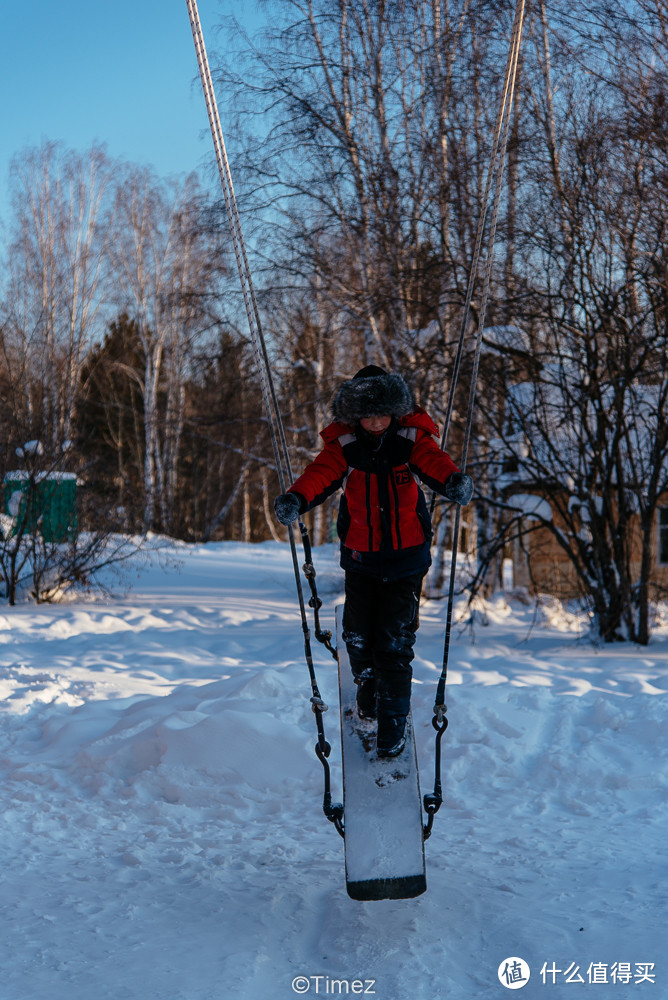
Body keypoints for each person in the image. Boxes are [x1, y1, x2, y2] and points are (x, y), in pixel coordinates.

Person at [274, 366, 473, 757]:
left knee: (394, 646)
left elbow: (433, 461)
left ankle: (392, 729)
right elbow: (321, 474)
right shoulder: (345, 444)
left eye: (383, 414)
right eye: (369, 416)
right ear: (355, 417)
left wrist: (451, 481)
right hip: (361, 560)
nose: (377, 423)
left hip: (406, 561)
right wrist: (296, 499)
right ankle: (367, 691)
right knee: (357, 638)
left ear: (395, 411)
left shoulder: (411, 438)